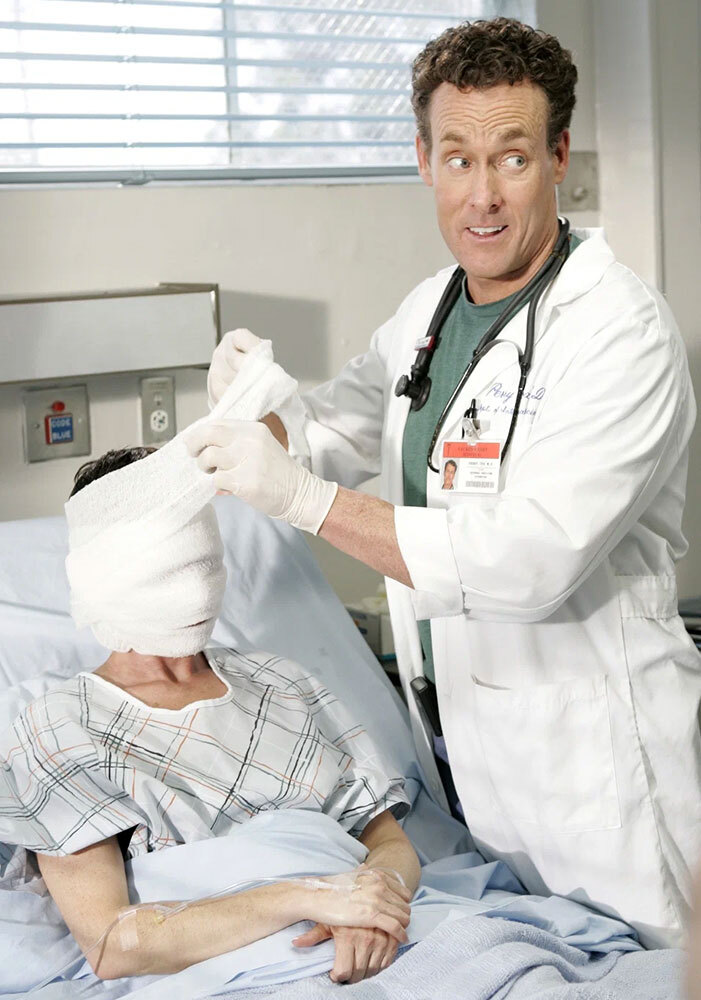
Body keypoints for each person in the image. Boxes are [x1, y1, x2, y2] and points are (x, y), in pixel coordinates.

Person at [188, 17, 701, 948]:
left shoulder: (618, 330)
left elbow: (528, 562)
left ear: (557, 157)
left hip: (601, 774)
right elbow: (328, 431)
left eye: (512, 158)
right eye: (458, 158)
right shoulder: (428, 310)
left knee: (650, 974)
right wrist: (251, 407)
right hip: (466, 753)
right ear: (423, 159)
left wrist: (299, 499)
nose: (482, 195)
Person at [0, 448, 417, 984]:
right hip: (234, 972)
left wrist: (379, 906)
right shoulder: (59, 728)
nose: (194, 584)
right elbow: (112, 945)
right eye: (170, 567)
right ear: (99, 575)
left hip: (385, 942)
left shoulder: (282, 683)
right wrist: (307, 897)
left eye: (201, 560)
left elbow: (390, 843)